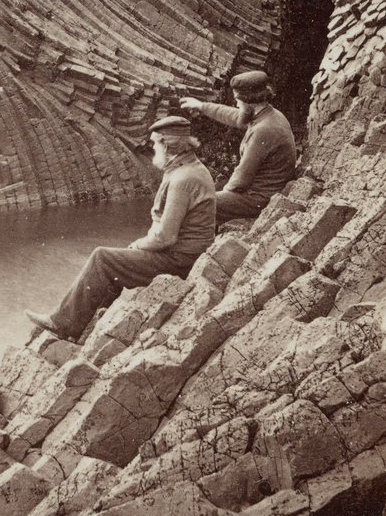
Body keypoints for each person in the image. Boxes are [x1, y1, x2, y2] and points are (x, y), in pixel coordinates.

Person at [25, 116, 216, 342]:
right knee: (115, 264)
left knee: (102, 258)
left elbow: (165, 237)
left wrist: (138, 245)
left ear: (168, 145)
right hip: (188, 254)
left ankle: (63, 323)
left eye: (155, 143)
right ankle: (85, 326)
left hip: (180, 260)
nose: (152, 148)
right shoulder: (191, 168)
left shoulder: (182, 179)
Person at [180, 70, 296, 224]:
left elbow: (242, 177)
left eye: (237, 100)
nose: (236, 103)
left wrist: (222, 197)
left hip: (260, 198)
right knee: (210, 192)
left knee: (198, 206)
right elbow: (235, 116)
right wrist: (202, 106)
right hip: (268, 188)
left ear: (248, 102)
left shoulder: (263, 130)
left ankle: (196, 245)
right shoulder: (270, 114)